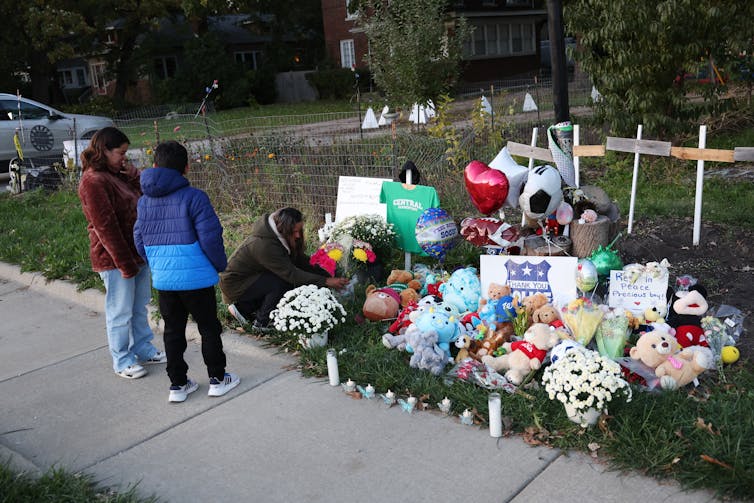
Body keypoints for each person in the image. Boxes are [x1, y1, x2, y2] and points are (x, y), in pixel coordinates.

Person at [134, 141, 240, 403]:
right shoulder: (194, 197)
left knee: (173, 330)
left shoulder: (144, 201)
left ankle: (178, 385)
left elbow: (138, 239)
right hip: (197, 277)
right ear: (187, 167)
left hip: (165, 279)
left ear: (155, 165)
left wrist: (157, 262)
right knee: (208, 328)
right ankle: (217, 378)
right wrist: (219, 265)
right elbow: (211, 237)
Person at [78, 126, 165, 380]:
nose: (124, 158)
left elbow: (144, 196)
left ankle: (143, 348)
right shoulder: (93, 181)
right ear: (103, 150)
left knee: (139, 307)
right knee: (120, 310)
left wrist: (133, 175)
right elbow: (105, 227)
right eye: (121, 153)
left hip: (136, 253)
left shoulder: (116, 174)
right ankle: (122, 360)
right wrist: (125, 263)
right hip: (115, 259)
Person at [219, 207, 349, 330]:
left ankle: (242, 309)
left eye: (299, 230)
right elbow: (292, 274)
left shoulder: (276, 236)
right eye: (294, 232)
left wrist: (327, 275)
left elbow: (300, 260)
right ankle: (262, 323)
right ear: (284, 228)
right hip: (235, 284)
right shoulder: (265, 246)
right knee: (280, 281)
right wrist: (326, 281)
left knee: (278, 279)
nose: (298, 236)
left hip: (249, 279)